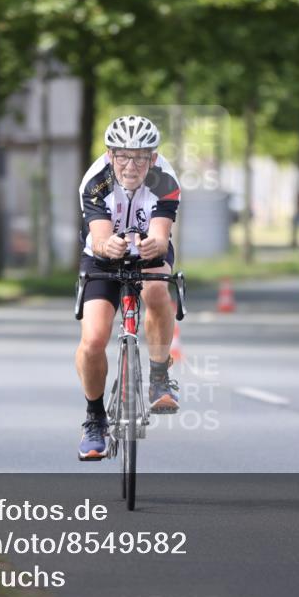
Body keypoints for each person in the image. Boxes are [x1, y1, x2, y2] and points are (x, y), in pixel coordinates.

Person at [75, 115, 181, 460]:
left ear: (153, 157)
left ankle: (159, 376)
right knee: (93, 340)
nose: (131, 166)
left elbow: (161, 234)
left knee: (156, 291)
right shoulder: (96, 181)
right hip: (102, 256)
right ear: (110, 155)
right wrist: (107, 246)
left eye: (140, 157)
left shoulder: (165, 179)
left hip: (147, 250)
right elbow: (100, 237)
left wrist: (155, 244)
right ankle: (94, 419)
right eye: (123, 156)